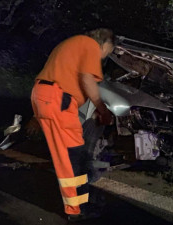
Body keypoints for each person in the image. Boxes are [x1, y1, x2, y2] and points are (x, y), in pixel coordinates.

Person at [30, 28, 115, 221]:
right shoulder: (90, 45)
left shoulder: (72, 44)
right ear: (105, 43)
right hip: (57, 100)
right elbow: (87, 79)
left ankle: (75, 208)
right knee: (75, 156)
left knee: (67, 156)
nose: (103, 58)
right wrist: (102, 109)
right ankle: (78, 210)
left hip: (45, 97)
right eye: (107, 52)